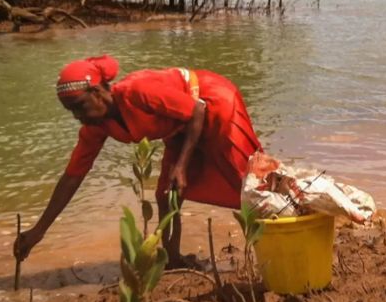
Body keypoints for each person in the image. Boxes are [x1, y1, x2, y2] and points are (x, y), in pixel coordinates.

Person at [13, 55, 261, 268]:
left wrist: (182, 165)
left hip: (215, 103)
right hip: (180, 128)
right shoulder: (97, 127)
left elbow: (197, 110)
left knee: (245, 182)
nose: (78, 117)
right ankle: (173, 260)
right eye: (72, 112)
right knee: (165, 194)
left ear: (97, 92)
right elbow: (72, 177)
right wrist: (39, 231)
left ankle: (282, 230)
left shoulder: (137, 91)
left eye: (80, 107)